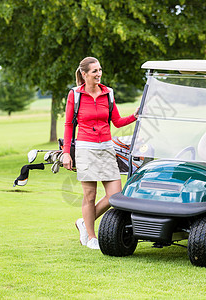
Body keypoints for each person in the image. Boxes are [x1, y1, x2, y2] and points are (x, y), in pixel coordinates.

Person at [62, 57, 138, 250]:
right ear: (84, 74)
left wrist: (135, 116)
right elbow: (69, 124)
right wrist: (66, 153)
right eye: (94, 71)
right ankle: (91, 236)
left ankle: (83, 222)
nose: (99, 74)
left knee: (116, 195)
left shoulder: (108, 93)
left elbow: (117, 121)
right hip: (85, 149)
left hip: (106, 148)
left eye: (100, 70)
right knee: (90, 195)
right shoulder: (75, 95)